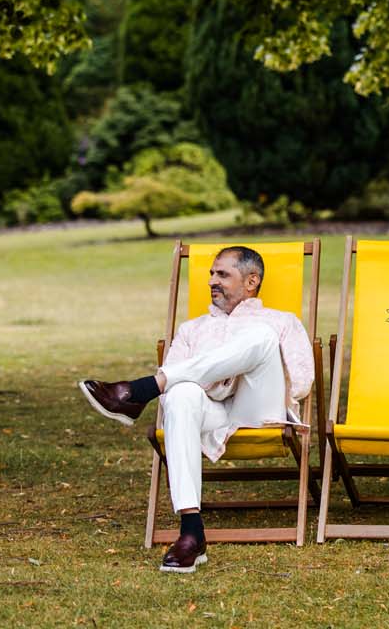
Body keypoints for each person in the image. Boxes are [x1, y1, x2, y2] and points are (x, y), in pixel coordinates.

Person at [78, 245, 314, 572]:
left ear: (251, 281)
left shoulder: (280, 321)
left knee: (260, 337)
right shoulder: (192, 329)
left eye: (222, 274)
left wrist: (241, 363)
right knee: (179, 395)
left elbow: (302, 381)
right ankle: (191, 533)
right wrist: (212, 379)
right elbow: (175, 390)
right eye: (211, 274)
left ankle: (136, 391)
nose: (212, 281)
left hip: (259, 407)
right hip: (212, 413)